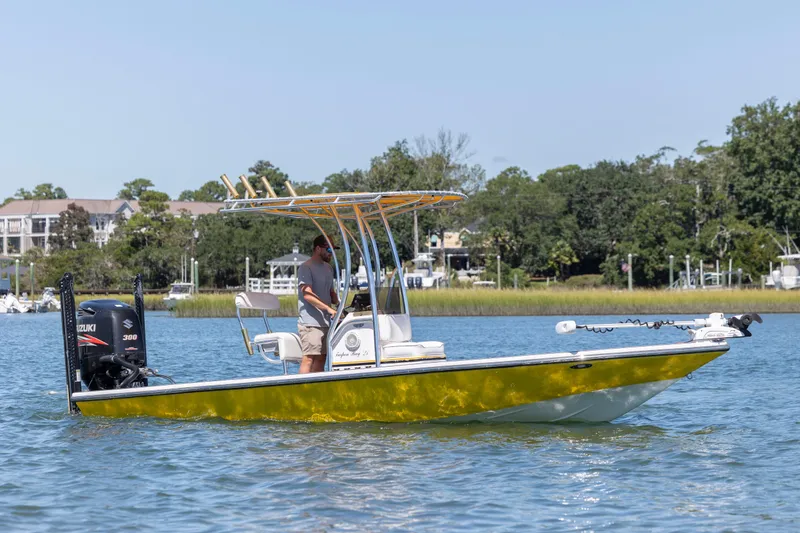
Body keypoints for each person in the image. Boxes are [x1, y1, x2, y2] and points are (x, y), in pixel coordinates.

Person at [297, 234, 340, 373]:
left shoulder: (328, 269)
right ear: (318, 249)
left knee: (322, 358)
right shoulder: (306, 268)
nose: (331, 254)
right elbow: (307, 294)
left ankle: (316, 390)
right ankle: (302, 391)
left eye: (333, 250)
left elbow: (331, 292)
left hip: (326, 322)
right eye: (329, 250)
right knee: (309, 358)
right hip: (310, 323)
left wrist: (340, 304)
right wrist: (328, 309)